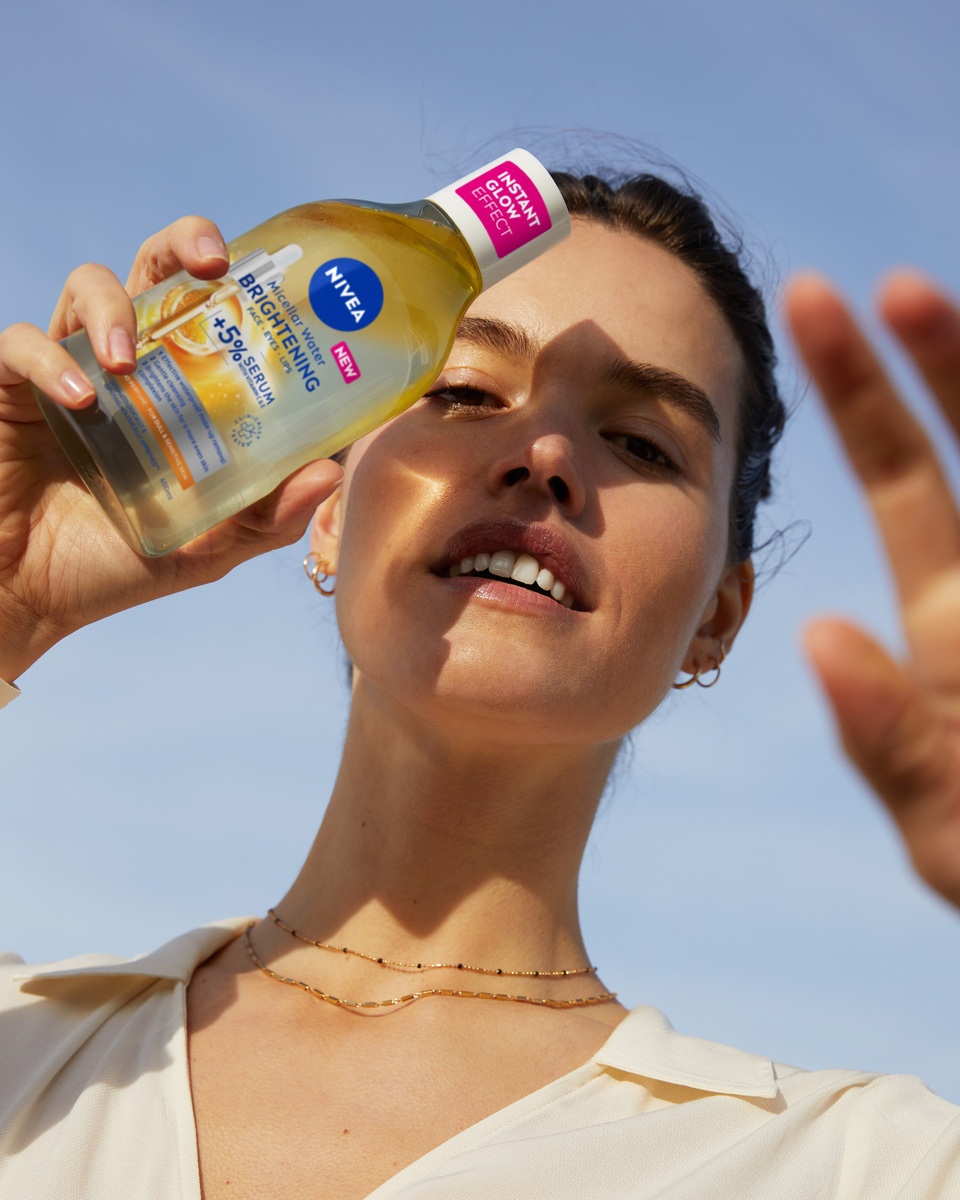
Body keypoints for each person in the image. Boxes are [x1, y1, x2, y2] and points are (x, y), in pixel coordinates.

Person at [1, 169, 958, 1199]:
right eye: (460, 392)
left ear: (717, 617)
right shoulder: (24, 1050)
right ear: (324, 506)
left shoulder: (860, 1166)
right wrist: (15, 604)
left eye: (640, 442)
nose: (542, 453)